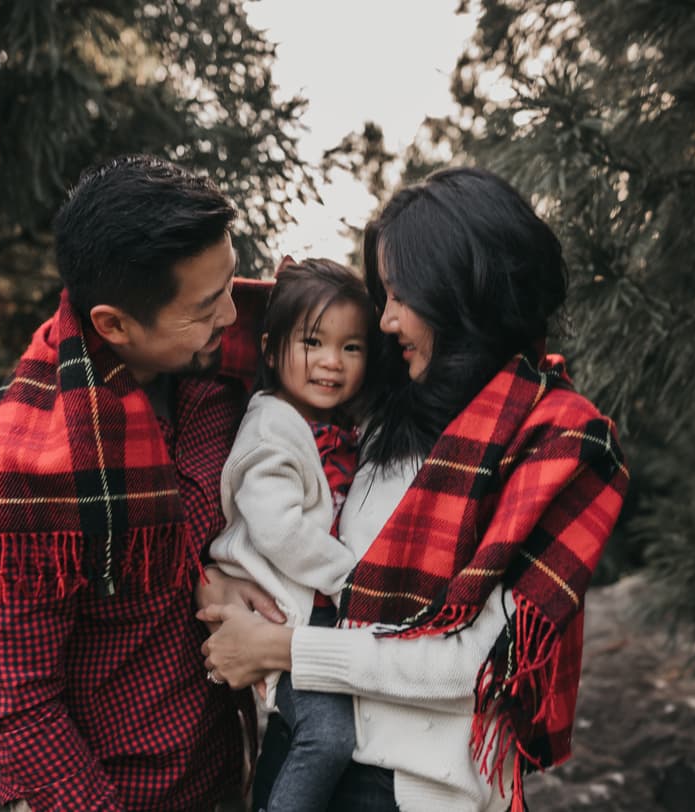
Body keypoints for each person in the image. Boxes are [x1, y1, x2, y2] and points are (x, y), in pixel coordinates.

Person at [199, 166, 630, 812]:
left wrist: (283, 647)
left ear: (460, 292)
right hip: (300, 751)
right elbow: (239, 329)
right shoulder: (385, 412)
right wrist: (223, 580)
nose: (387, 321)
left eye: (400, 296)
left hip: (409, 791)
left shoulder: (552, 440)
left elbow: (474, 666)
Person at [0, 154, 283, 812]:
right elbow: (18, 711)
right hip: (111, 796)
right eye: (207, 307)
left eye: (231, 282)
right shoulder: (18, 481)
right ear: (114, 325)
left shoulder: (206, 371)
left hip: (220, 776)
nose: (234, 316)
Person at [208, 258, 377, 812]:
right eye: (313, 342)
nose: (332, 362)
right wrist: (356, 580)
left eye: (351, 347)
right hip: (290, 608)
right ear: (272, 349)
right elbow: (281, 531)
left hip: (317, 607)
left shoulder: (338, 425)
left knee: (322, 733)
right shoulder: (271, 427)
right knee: (328, 737)